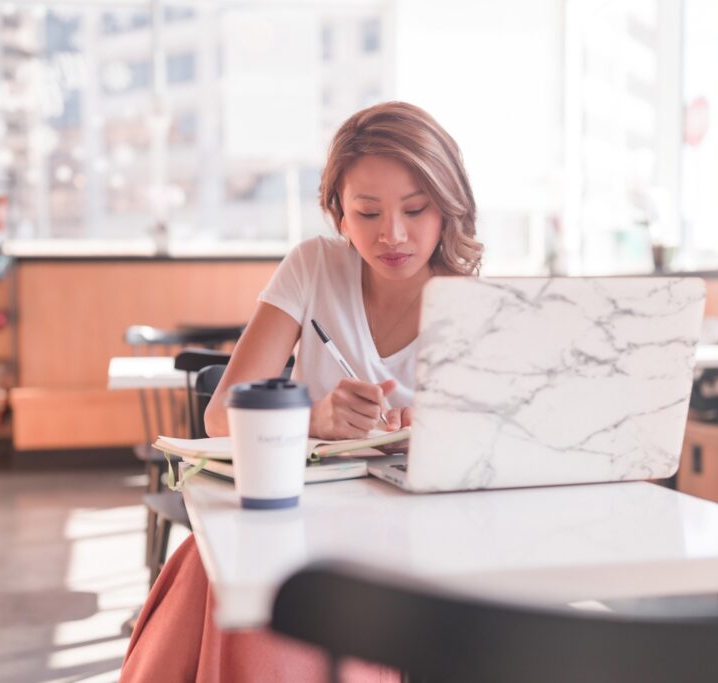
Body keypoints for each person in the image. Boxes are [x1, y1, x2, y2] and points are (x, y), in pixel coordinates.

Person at [120, 101, 483, 683]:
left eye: (415, 209)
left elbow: (499, 454)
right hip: (297, 524)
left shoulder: (475, 304)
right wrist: (313, 417)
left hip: (413, 540)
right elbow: (220, 416)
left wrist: (445, 433)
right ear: (338, 214)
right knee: (221, 568)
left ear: (449, 206)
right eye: (367, 213)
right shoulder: (312, 267)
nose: (392, 234)